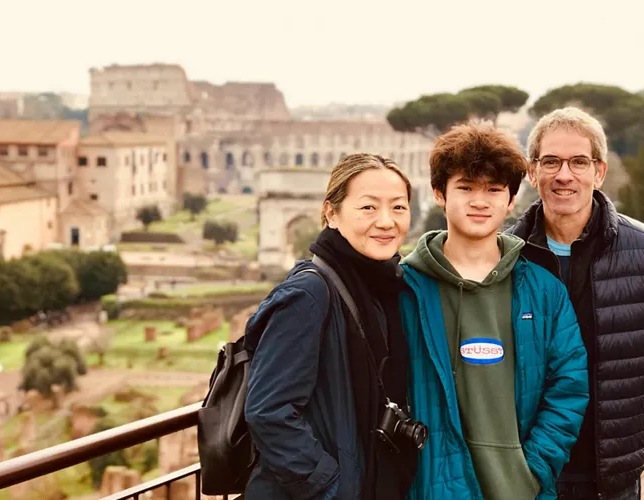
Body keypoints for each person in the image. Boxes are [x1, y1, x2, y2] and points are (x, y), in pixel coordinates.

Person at [399, 122, 590, 500]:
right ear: (439, 193)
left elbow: (569, 386)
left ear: (511, 199)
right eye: (465, 187)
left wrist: (533, 470)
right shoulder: (404, 289)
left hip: (519, 489)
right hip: (429, 489)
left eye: (493, 189)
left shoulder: (544, 290)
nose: (479, 201)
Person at [506, 107, 644, 500]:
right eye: (550, 161)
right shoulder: (504, 255)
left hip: (611, 467)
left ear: (599, 171)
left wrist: (632, 430)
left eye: (578, 162)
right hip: (525, 465)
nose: (564, 175)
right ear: (532, 171)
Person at [244, 153, 420, 500]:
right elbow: (268, 411)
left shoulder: (385, 287)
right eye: (368, 208)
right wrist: (330, 487)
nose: (386, 221)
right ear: (331, 212)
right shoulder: (307, 295)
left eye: (398, 208)